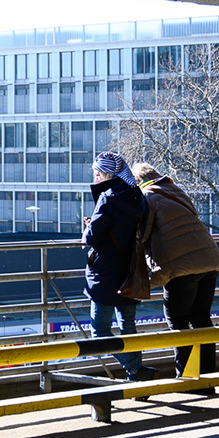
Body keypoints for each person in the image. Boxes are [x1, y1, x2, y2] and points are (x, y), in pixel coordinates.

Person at [133, 163, 219, 374]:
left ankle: (186, 377)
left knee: (178, 323)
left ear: (138, 182)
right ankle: (208, 377)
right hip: (208, 259)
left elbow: (142, 234)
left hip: (181, 266)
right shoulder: (177, 191)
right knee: (202, 320)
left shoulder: (146, 196)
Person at [83, 152, 152, 380]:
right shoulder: (137, 196)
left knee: (99, 331)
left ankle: (135, 369)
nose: (95, 179)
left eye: (97, 174)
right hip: (132, 271)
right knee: (128, 326)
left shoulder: (107, 197)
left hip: (106, 274)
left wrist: (89, 226)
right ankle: (136, 374)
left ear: (108, 174)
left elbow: (91, 238)